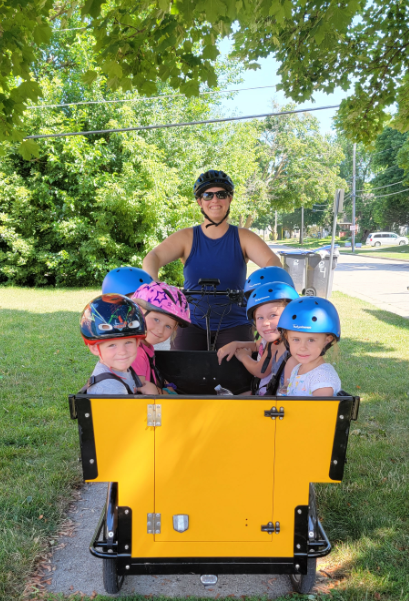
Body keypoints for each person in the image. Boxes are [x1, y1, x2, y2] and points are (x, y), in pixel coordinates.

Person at [142, 169, 281, 350]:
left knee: (238, 373)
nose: (215, 200)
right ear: (200, 201)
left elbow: (273, 262)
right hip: (192, 321)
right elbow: (153, 257)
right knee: (182, 368)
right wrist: (155, 285)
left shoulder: (243, 237)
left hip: (235, 322)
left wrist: (261, 289)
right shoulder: (187, 237)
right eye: (208, 195)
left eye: (221, 194)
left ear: (229, 199)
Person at [217, 281, 299, 395]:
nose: (265, 323)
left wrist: (244, 357)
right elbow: (256, 345)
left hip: (272, 400)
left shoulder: (278, 345)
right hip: (267, 391)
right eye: (260, 317)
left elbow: (260, 371)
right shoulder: (274, 340)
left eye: (273, 315)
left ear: (290, 316)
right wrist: (236, 344)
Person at [130, 281, 191, 394]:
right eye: (156, 320)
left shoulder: (144, 346)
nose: (160, 330)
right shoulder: (136, 353)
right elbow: (141, 393)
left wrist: (164, 384)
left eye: (168, 326)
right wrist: (164, 393)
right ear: (138, 313)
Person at [79, 294, 147, 394]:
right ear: (95, 348)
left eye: (128, 342)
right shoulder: (111, 389)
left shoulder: (121, 371)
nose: (122, 352)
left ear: (137, 342)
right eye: (112, 345)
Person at [278, 296, 341, 396]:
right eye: (296, 339)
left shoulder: (322, 379)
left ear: (327, 341)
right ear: (287, 338)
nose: (302, 347)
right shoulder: (297, 368)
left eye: (311, 340)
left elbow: (319, 411)